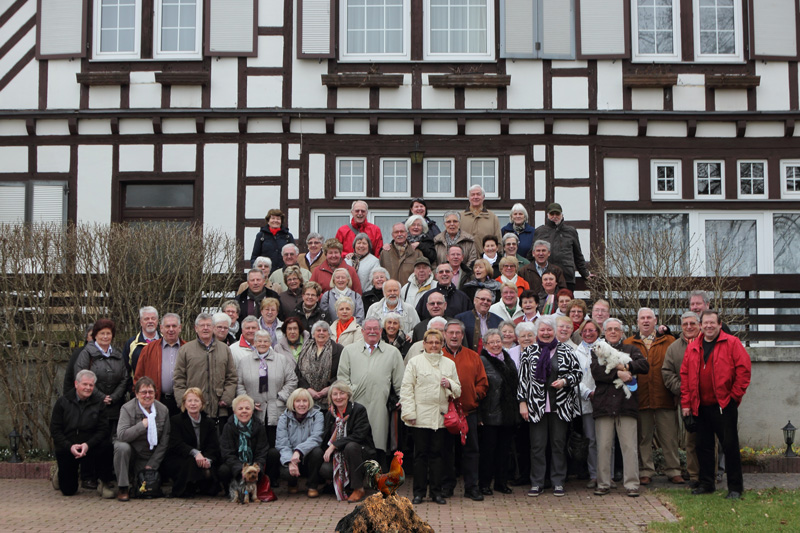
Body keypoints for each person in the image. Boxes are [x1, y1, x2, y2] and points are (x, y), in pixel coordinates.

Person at [681, 310, 751, 500]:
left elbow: (744, 371)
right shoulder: (693, 346)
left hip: (724, 405)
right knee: (703, 446)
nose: (709, 326)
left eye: (713, 323)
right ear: (701, 325)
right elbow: (685, 376)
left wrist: (734, 398)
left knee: (729, 447)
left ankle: (735, 488)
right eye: (706, 323)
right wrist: (686, 404)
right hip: (700, 406)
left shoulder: (732, 343)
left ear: (720, 324)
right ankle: (706, 484)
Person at [517, 315, 581, 497]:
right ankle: (537, 482)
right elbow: (523, 380)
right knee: (537, 446)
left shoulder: (566, 351)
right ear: (538, 332)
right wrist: (523, 403)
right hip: (536, 407)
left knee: (558, 445)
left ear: (554, 331)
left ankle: (558, 481)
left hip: (560, 407)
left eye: (549, 330)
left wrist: (565, 381)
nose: (546, 333)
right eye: (542, 330)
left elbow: (577, 374)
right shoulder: (529, 352)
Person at [400, 329, 462, 505]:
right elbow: (406, 389)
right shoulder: (415, 362)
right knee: (420, 456)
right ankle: (419, 493)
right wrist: (409, 413)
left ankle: (436, 492)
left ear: (442, 344)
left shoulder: (449, 364)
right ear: (424, 344)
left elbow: (458, 390)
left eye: (437, 342)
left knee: (438, 455)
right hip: (420, 417)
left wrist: (449, 383)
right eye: (430, 342)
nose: (433, 345)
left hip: (440, 418)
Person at [591, 318, 649, 497]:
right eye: (610, 329)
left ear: (622, 332)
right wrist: (621, 374)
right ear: (605, 332)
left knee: (629, 446)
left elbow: (644, 366)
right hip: (604, 405)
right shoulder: (597, 350)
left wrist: (625, 366)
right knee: (603, 446)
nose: (613, 332)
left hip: (626, 405)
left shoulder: (632, 349)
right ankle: (603, 483)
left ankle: (632, 484)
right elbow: (597, 372)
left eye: (617, 329)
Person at [337, 317, 406, 468]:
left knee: (378, 442)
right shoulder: (349, 351)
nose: (372, 332)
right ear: (362, 331)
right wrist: (350, 397)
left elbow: (400, 383)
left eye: (376, 329)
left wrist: (402, 400)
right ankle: (355, 479)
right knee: (354, 442)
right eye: (368, 328)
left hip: (379, 406)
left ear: (381, 331)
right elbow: (342, 380)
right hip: (354, 406)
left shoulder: (392, 352)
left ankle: (378, 478)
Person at [623, 307, 680, 486]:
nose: (646, 321)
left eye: (649, 318)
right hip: (641, 398)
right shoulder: (629, 343)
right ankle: (645, 471)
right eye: (642, 318)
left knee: (669, 437)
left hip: (664, 397)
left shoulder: (669, 341)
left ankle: (674, 470)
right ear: (637, 322)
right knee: (643, 437)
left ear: (656, 321)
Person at [441, 319, 488, 501]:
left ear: (462, 335)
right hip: (445, 414)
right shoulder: (438, 355)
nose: (454, 336)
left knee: (471, 451)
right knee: (446, 451)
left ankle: (471, 487)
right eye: (451, 333)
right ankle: (447, 486)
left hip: (468, 412)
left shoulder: (473, 356)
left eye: (457, 333)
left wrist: (474, 395)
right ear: (445, 334)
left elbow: (483, 382)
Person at [50, 370, 114, 497]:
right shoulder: (62, 402)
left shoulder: (99, 404)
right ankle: (60, 472)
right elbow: (55, 430)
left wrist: (88, 444)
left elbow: (103, 430)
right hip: (68, 447)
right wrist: (69, 446)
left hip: (90, 446)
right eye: (85, 384)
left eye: (91, 385)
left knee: (107, 446)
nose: (88, 388)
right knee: (68, 491)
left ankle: (104, 482)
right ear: (76, 384)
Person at [235, 329, 298, 454]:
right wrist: (248, 403)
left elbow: (292, 381)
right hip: (254, 411)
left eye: (265, 341)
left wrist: (280, 397)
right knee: (256, 445)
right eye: (259, 341)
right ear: (254, 343)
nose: (262, 343)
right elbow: (238, 384)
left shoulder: (282, 360)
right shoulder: (244, 362)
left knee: (274, 446)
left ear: (270, 342)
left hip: (276, 409)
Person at [173, 313, 238, 426]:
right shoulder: (185, 350)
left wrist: (226, 399)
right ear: (196, 328)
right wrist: (183, 402)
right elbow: (179, 379)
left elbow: (231, 377)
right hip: (193, 410)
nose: (205, 328)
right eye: (202, 325)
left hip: (219, 408)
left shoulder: (225, 349)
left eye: (208, 325)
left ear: (213, 328)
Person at [114, 377, 171, 502]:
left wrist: (153, 463)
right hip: (133, 453)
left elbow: (165, 441)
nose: (147, 395)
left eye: (150, 392)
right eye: (143, 392)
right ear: (136, 394)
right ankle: (123, 488)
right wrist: (142, 425)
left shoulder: (163, 410)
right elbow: (122, 435)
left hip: (151, 455)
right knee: (121, 447)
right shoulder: (127, 409)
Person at [662, 311, 702, 488]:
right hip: (685, 400)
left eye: (692, 323)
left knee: (710, 440)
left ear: (699, 324)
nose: (689, 327)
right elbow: (667, 372)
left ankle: (710, 473)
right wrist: (682, 389)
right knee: (690, 440)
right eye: (685, 324)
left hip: (707, 399)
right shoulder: (674, 348)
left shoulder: (707, 344)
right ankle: (694, 476)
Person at [477, 329, 518, 497]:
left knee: (504, 450)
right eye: (491, 342)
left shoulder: (508, 359)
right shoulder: (481, 360)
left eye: (498, 341)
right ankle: (484, 484)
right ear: (485, 345)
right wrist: (479, 414)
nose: (495, 345)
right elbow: (477, 388)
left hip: (507, 414)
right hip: (489, 414)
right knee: (488, 452)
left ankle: (501, 483)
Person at [320, 380, 375, 502]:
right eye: (335, 394)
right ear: (330, 397)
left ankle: (358, 488)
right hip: (338, 455)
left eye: (342, 393)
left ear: (348, 395)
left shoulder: (358, 410)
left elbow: (359, 435)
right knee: (325, 469)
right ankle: (338, 484)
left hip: (360, 452)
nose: (338, 397)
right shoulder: (330, 414)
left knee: (351, 446)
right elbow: (324, 437)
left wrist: (334, 445)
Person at [163, 388, 221, 498]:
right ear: (184, 403)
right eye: (189, 401)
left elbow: (213, 445)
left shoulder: (209, 422)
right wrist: (195, 453)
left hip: (203, 457)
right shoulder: (176, 420)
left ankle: (203, 486)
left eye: (196, 400)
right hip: (181, 457)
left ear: (202, 404)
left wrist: (207, 459)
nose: (193, 404)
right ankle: (185, 489)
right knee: (191, 463)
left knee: (216, 467)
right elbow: (177, 444)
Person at [74, 319, 129, 433]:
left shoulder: (118, 354)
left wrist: (113, 397)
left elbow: (124, 378)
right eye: (102, 333)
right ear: (95, 335)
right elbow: (81, 377)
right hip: (92, 406)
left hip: (115, 408)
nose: (105, 336)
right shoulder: (86, 354)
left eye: (108, 333)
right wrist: (101, 396)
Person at [218, 394, 271, 498]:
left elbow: (262, 450)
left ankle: (257, 488)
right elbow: (227, 453)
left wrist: (257, 466)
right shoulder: (228, 427)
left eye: (247, 408)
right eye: (240, 408)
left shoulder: (259, 426)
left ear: (252, 410)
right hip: (236, 466)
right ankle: (232, 490)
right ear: (234, 411)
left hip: (253, 466)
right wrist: (240, 470)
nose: (244, 411)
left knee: (272, 455)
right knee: (223, 470)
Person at [275, 388, 325, 497]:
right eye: (298, 401)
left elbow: (316, 438)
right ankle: (292, 483)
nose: (301, 404)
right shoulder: (284, 418)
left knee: (317, 452)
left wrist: (299, 451)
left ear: (309, 402)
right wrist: (290, 461)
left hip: (308, 457)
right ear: (292, 403)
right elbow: (282, 443)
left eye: (305, 401)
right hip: (291, 456)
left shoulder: (318, 415)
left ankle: (312, 486)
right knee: (281, 466)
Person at [134, 313, 186, 417]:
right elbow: (139, 377)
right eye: (167, 326)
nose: (171, 329)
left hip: (183, 402)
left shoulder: (188, 348)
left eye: (174, 326)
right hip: (157, 400)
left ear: (180, 328)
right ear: (161, 328)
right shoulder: (148, 349)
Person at [534, 203, 591, 292]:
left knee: (565, 304)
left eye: (557, 214)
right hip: (545, 278)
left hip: (566, 277)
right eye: (552, 214)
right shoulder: (540, 231)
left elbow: (578, 255)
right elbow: (532, 254)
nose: (555, 216)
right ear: (547, 215)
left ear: (562, 215)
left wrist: (585, 273)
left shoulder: (571, 231)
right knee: (545, 304)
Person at [574, 320, 601, 489]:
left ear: (598, 331)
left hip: (605, 400)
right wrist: (588, 393)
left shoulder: (605, 348)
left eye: (592, 330)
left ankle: (608, 475)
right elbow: (575, 376)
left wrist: (600, 393)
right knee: (591, 439)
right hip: (586, 400)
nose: (588, 333)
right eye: (585, 330)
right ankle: (593, 475)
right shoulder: (576, 352)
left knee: (608, 441)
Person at [296, 321, 343, 411]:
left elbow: (342, 372)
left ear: (329, 334)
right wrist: (308, 389)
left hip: (330, 399)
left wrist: (329, 388)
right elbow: (298, 372)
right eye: (318, 330)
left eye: (324, 330)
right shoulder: (305, 348)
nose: (321, 333)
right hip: (307, 399)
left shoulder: (339, 349)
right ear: (313, 334)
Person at [461, 184, 500, 255]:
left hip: (487, 261)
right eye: (472, 195)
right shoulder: (460, 217)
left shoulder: (492, 217)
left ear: (483, 197)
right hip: (465, 260)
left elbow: (499, 242)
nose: (475, 197)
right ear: (469, 198)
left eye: (478, 194)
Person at [122, 306, 160, 375]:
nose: (150, 321)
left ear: (157, 321)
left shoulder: (165, 342)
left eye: (153, 318)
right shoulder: (131, 344)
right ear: (141, 322)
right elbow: (125, 370)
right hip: (138, 385)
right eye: (146, 319)